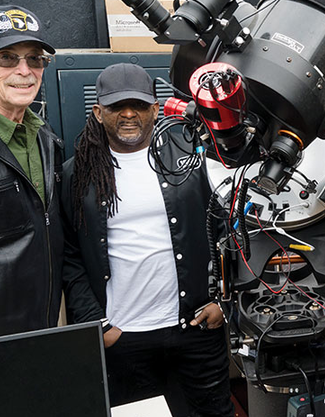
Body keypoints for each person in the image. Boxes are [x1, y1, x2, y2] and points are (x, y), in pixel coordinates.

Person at [61, 64, 233, 416]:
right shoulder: (76, 174)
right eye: (115, 106)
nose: (128, 114)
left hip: (196, 328)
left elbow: (224, 229)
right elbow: (71, 256)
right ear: (98, 112)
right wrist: (98, 324)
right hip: (124, 339)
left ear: (156, 109)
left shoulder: (189, 159)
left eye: (138, 105)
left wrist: (221, 300)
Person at [0, 4, 62, 339]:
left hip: (39, 327)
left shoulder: (44, 138)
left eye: (36, 59)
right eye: (7, 58)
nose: (25, 70)